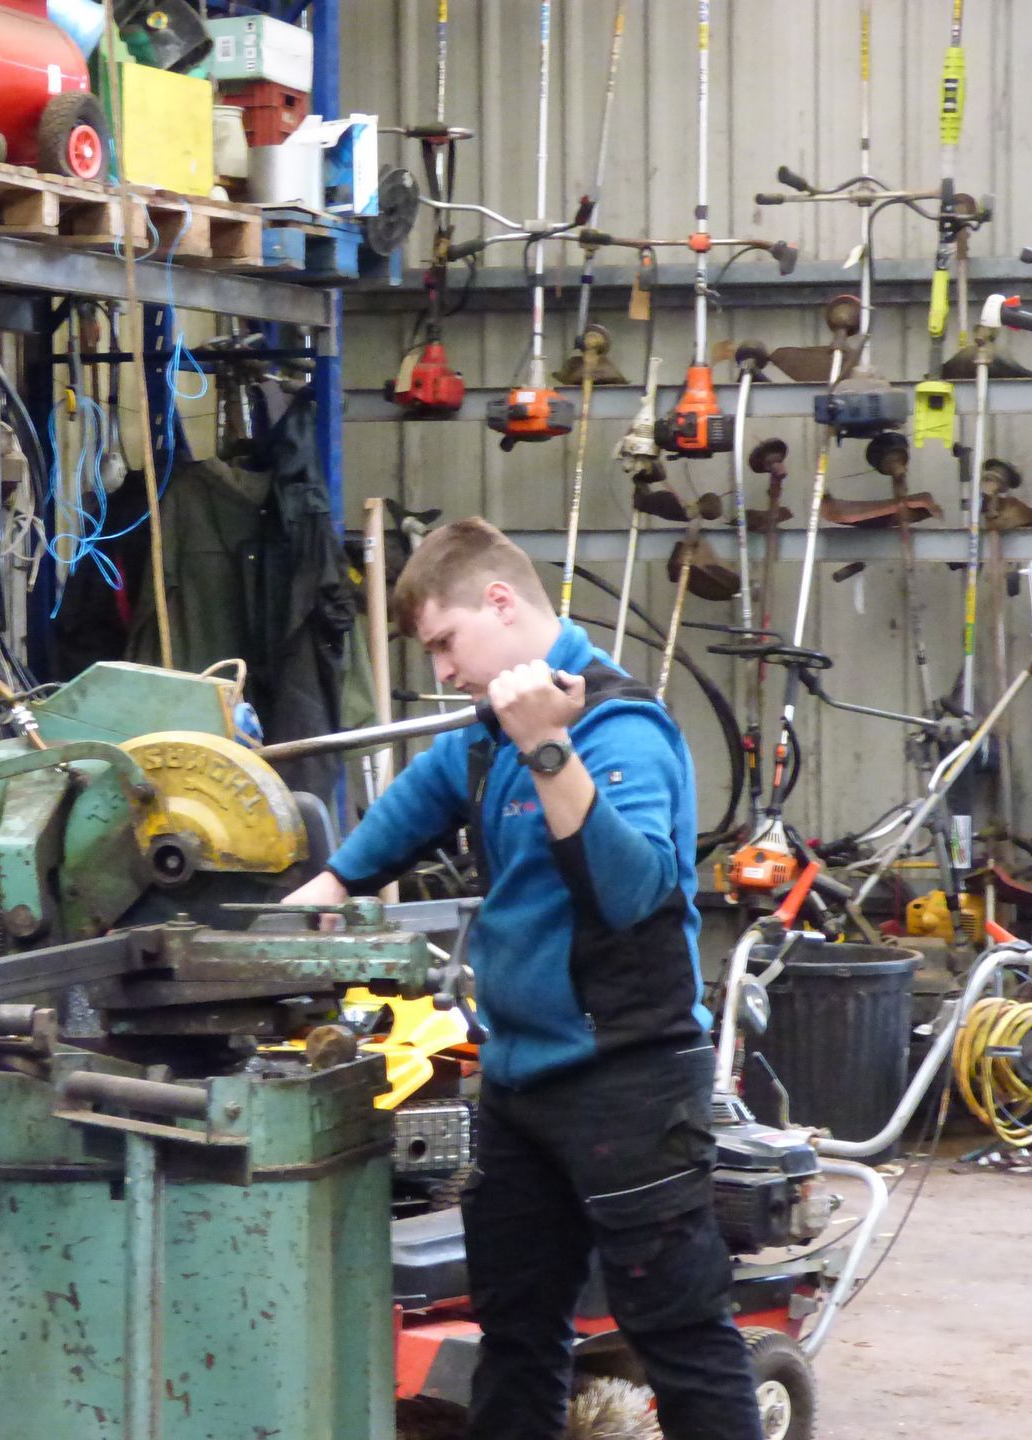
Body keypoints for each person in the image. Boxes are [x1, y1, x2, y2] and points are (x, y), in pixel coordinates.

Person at [284, 517, 761, 1440]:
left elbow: (635, 895)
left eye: (446, 644)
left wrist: (551, 749)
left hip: (626, 1081)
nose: (445, 671)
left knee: (680, 1333)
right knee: (516, 1333)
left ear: (500, 603)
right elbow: (416, 803)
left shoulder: (621, 728)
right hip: (519, 1086)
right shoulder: (483, 737)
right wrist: (334, 881)